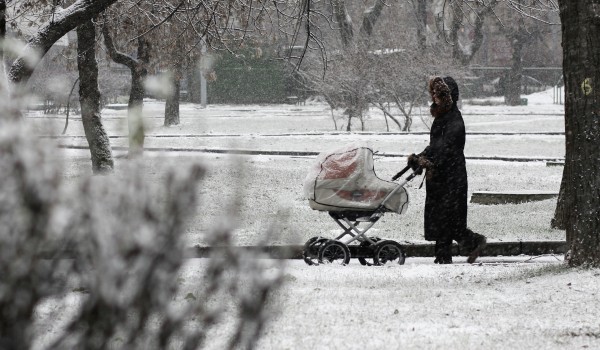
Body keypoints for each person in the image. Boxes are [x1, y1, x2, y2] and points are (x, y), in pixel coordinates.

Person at [408, 76, 486, 264]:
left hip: (451, 175)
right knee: (442, 219)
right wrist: (420, 157)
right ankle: (444, 255)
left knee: (449, 219)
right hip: (441, 175)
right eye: (433, 93)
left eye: (438, 94)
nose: (434, 96)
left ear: (447, 96)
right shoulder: (442, 117)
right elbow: (435, 145)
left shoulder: (454, 119)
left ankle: (470, 243)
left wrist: (429, 161)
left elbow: (448, 148)